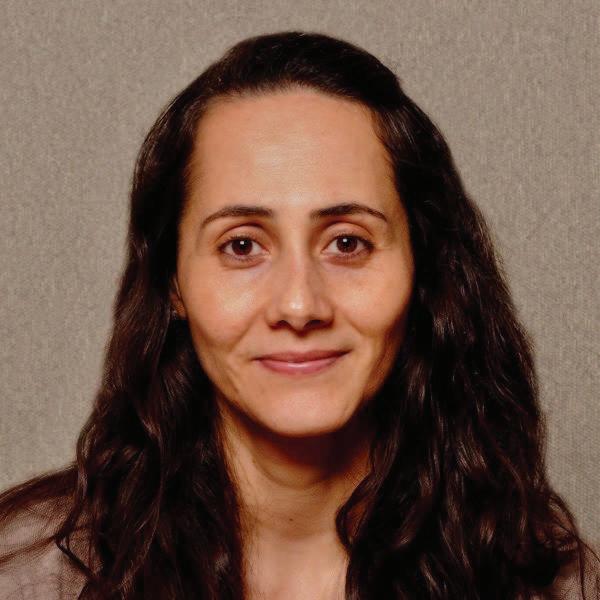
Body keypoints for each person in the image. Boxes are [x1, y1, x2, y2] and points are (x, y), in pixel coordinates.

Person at [0, 30, 598, 600]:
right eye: (241, 246)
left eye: (347, 243)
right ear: (171, 283)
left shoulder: (550, 584)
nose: (299, 305)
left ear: (423, 271)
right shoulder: (29, 577)